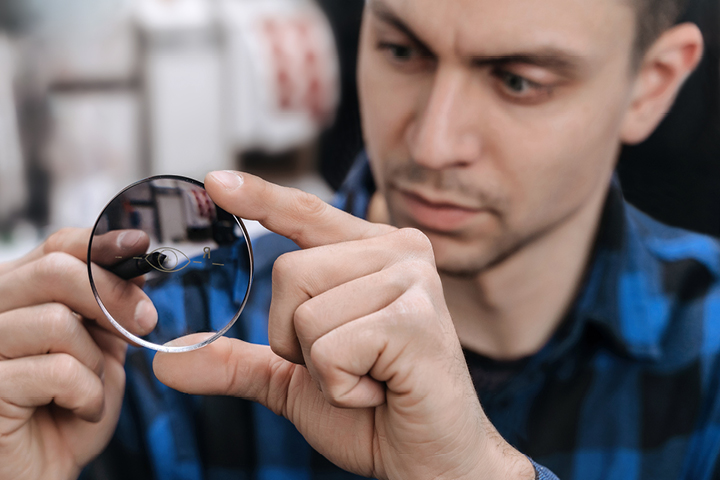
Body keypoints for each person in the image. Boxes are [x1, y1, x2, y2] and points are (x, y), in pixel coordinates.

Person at [0, 0, 714, 478]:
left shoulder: (709, 353)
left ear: (651, 86)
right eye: (403, 50)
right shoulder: (160, 339)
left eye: (518, 82)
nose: (432, 144)